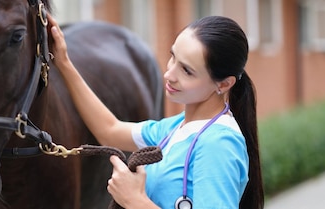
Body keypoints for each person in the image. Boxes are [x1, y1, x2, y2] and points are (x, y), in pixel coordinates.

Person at [47, 14, 264, 209]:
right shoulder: (174, 129)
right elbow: (109, 130)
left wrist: (134, 200)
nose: (170, 74)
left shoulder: (218, 145)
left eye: (186, 70)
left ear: (224, 84)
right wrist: (64, 62)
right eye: (173, 57)